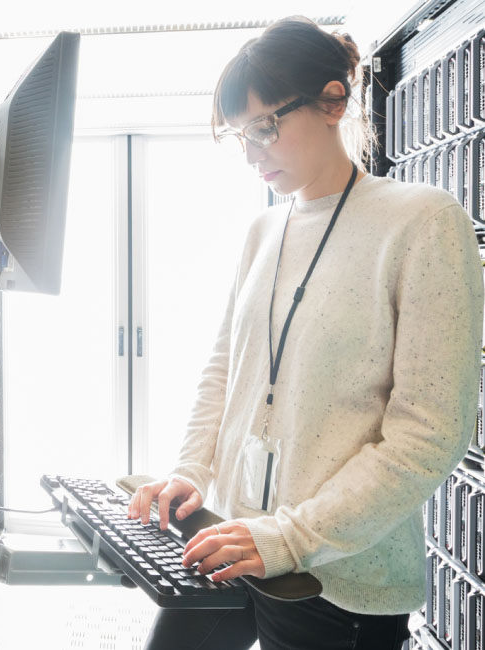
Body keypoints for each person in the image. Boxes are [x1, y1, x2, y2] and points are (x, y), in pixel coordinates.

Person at [127, 14, 484, 650]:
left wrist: (288, 538)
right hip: (232, 541)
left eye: (265, 127)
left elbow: (430, 435)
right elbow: (225, 372)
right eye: (240, 136)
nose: (253, 152)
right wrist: (192, 471)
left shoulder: (424, 221)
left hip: (338, 580)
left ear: (332, 101)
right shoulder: (262, 231)